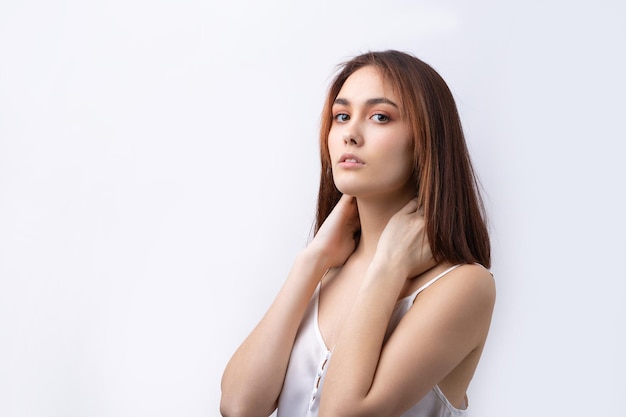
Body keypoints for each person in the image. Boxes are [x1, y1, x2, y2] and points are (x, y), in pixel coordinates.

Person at [220, 50, 495, 417]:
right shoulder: (328, 270)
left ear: (427, 140)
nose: (350, 133)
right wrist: (312, 260)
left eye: (380, 117)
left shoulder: (464, 286)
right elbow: (240, 406)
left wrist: (388, 268)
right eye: (342, 116)